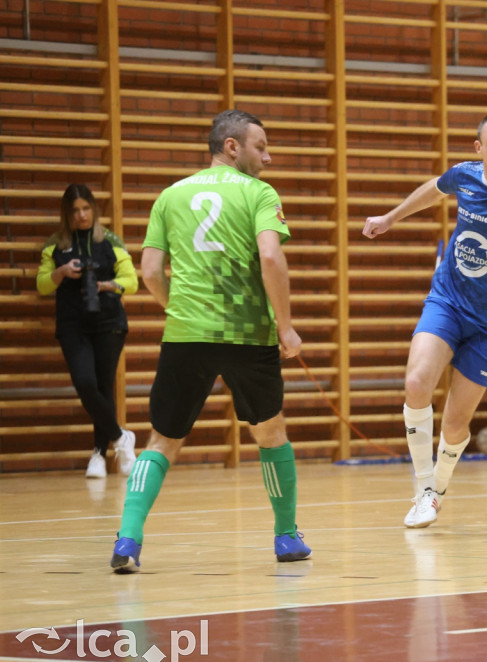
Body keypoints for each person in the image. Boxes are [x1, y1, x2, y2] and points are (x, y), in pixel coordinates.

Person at [110, 109, 310, 573]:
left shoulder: (170, 195)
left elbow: (151, 272)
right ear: (232, 147)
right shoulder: (259, 193)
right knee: (269, 432)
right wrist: (285, 325)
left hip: (186, 335)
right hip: (248, 335)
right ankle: (285, 537)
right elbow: (270, 258)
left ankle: (127, 541)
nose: (269, 157)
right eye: (261, 147)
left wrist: (179, 311)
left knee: (162, 441)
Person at [363, 112, 487, 529]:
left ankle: (437, 489)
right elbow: (433, 190)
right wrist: (389, 218)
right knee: (418, 381)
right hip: (448, 301)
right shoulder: (465, 175)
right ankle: (423, 489)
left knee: (456, 422)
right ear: (479, 149)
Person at [36, 183, 138, 479]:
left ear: (93, 209)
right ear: (66, 214)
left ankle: (98, 453)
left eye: (86, 208)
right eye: (75, 210)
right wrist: (62, 272)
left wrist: (108, 285)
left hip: (109, 323)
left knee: (104, 386)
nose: (81, 215)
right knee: (85, 383)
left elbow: (130, 281)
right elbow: (43, 284)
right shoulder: (55, 245)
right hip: (72, 325)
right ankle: (121, 438)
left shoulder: (110, 240)